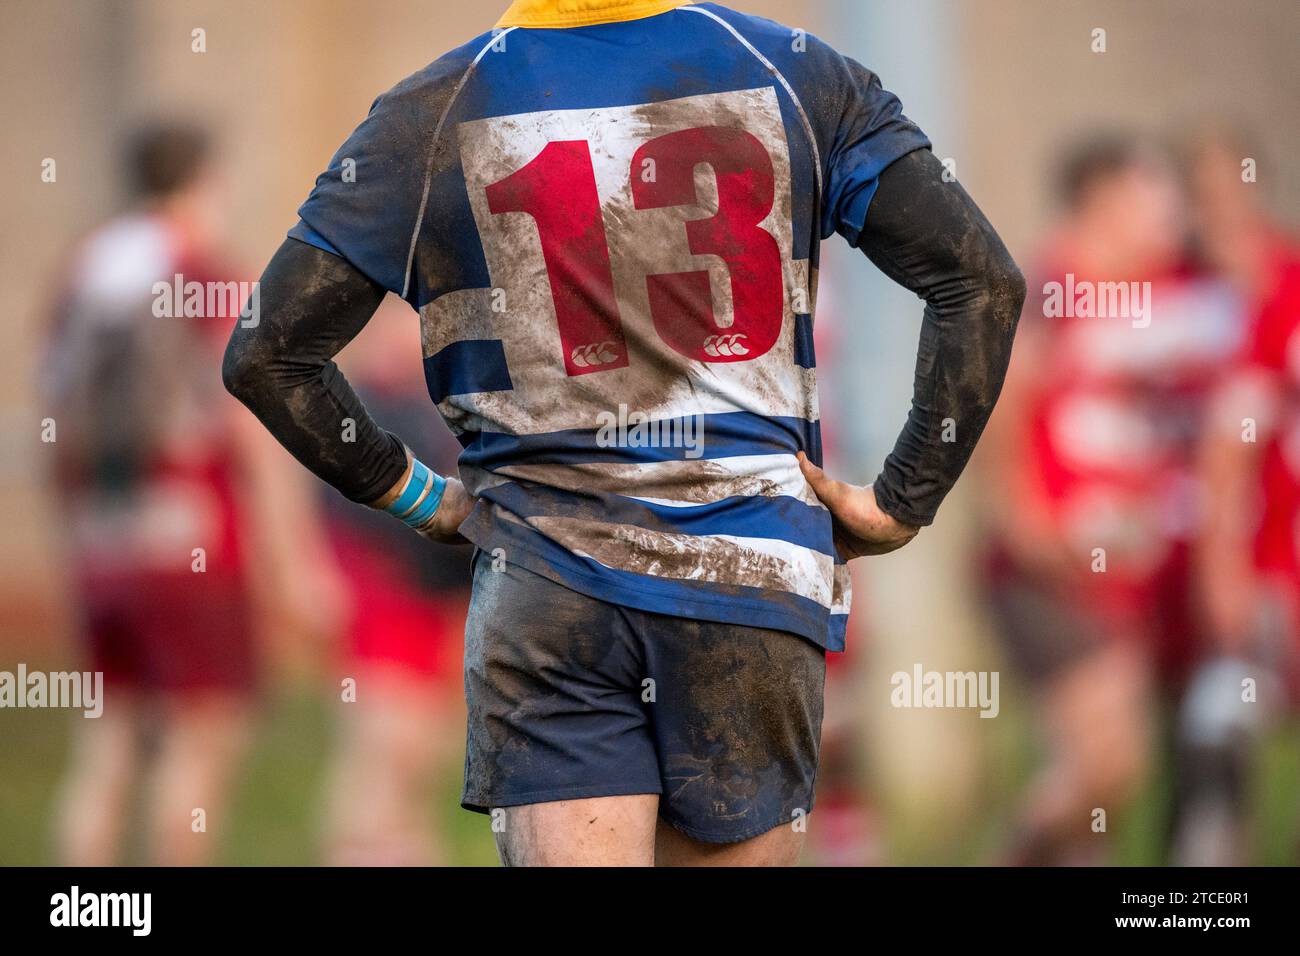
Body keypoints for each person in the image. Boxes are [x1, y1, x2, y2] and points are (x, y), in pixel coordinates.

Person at [224, 0, 1023, 866]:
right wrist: (904, 501)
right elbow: (981, 282)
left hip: (546, 584)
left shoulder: (428, 111)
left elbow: (266, 356)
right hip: (749, 581)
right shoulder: (799, 71)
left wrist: (421, 498)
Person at [44, 121, 342, 865]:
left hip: (103, 535)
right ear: (205, 179)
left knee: (105, 753)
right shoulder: (201, 270)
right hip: (195, 539)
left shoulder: (83, 272)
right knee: (198, 751)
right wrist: (297, 563)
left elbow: (55, 418)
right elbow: (250, 423)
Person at [978, 135, 1237, 864]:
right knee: (1109, 762)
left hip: (1151, 578)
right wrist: (1026, 520)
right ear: (1103, 203)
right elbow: (1002, 403)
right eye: (1152, 195)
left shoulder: (1186, 286)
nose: (1171, 212)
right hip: (1054, 571)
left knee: (1110, 805)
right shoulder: (1055, 283)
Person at [1180, 127, 1300, 865]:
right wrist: (1223, 570)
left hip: (1271, 570)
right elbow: (1228, 451)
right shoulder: (1181, 295)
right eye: (1204, 196)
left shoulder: (1284, 285)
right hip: (1248, 573)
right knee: (1213, 738)